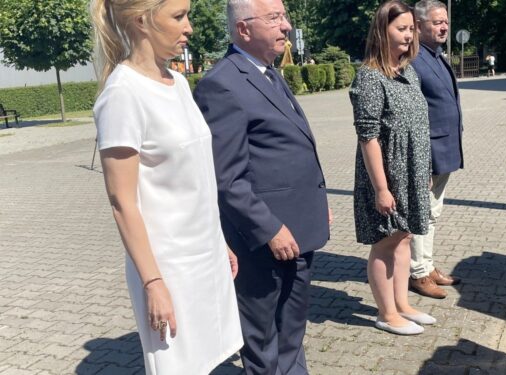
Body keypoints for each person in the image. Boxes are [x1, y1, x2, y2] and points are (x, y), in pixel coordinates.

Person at [90, 0, 243, 373]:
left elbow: (195, 178)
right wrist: (153, 283)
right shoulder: (123, 94)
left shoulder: (178, 83)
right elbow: (122, 202)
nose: (189, 26)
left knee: (209, 359)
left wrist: (218, 239)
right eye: (178, 16)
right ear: (143, 20)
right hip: (169, 266)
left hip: (205, 255)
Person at [193, 0, 330, 373]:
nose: (286, 26)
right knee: (265, 340)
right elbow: (227, 178)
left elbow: (282, 152)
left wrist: (314, 200)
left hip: (299, 229)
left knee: (292, 331)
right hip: (265, 239)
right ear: (244, 29)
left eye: (284, 16)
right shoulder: (222, 84)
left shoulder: (267, 71)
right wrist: (269, 228)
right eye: (275, 18)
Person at [349, 0, 435, 336]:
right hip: (386, 174)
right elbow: (368, 137)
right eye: (402, 28)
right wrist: (382, 188)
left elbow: (417, 127)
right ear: (382, 31)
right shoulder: (370, 77)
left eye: (412, 29)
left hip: (411, 171)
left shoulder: (408, 71)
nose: (409, 35)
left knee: (404, 238)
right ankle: (386, 313)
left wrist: (423, 170)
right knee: (385, 242)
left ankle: (402, 304)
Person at [409, 0, 464, 299]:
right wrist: (421, 160)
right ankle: (418, 273)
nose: (444, 26)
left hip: (445, 147)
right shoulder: (414, 58)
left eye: (445, 21)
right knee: (422, 213)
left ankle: (427, 266)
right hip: (428, 152)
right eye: (436, 22)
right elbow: (414, 114)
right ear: (419, 26)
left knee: (433, 212)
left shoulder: (437, 55)